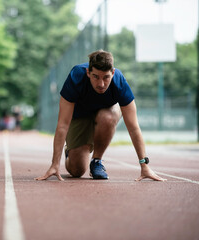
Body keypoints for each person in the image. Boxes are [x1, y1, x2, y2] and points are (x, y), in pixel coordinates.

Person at [36, 50, 166, 181]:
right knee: (77, 170)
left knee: (108, 117)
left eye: (106, 77)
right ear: (88, 72)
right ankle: (71, 151)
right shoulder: (76, 77)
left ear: (113, 73)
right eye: (96, 76)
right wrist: (55, 164)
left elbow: (133, 127)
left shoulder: (119, 82)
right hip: (80, 115)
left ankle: (96, 161)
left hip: (106, 111)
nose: (101, 84)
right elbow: (63, 125)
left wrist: (144, 165)